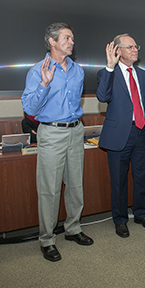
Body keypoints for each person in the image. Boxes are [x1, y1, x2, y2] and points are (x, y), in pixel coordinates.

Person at [21, 22, 93, 262]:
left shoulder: (78, 70)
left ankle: (73, 229)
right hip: (51, 133)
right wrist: (44, 84)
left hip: (75, 131)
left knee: (75, 185)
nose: (72, 42)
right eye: (66, 38)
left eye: (72, 38)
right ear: (52, 42)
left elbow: (75, 105)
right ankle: (47, 240)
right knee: (49, 189)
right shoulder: (36, 71)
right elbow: (29, 108)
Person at [96, 34, 145, 238]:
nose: (135, 49)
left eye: (135, 46)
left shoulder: (141, 74)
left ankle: (140, 214)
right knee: (119, 180)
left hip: (141, 132)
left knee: (141, 177)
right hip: (118, 135)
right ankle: (120, 220)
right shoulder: (107, 73)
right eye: (130, 47)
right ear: (118, 51)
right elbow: (103, 96)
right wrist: (109, 67)